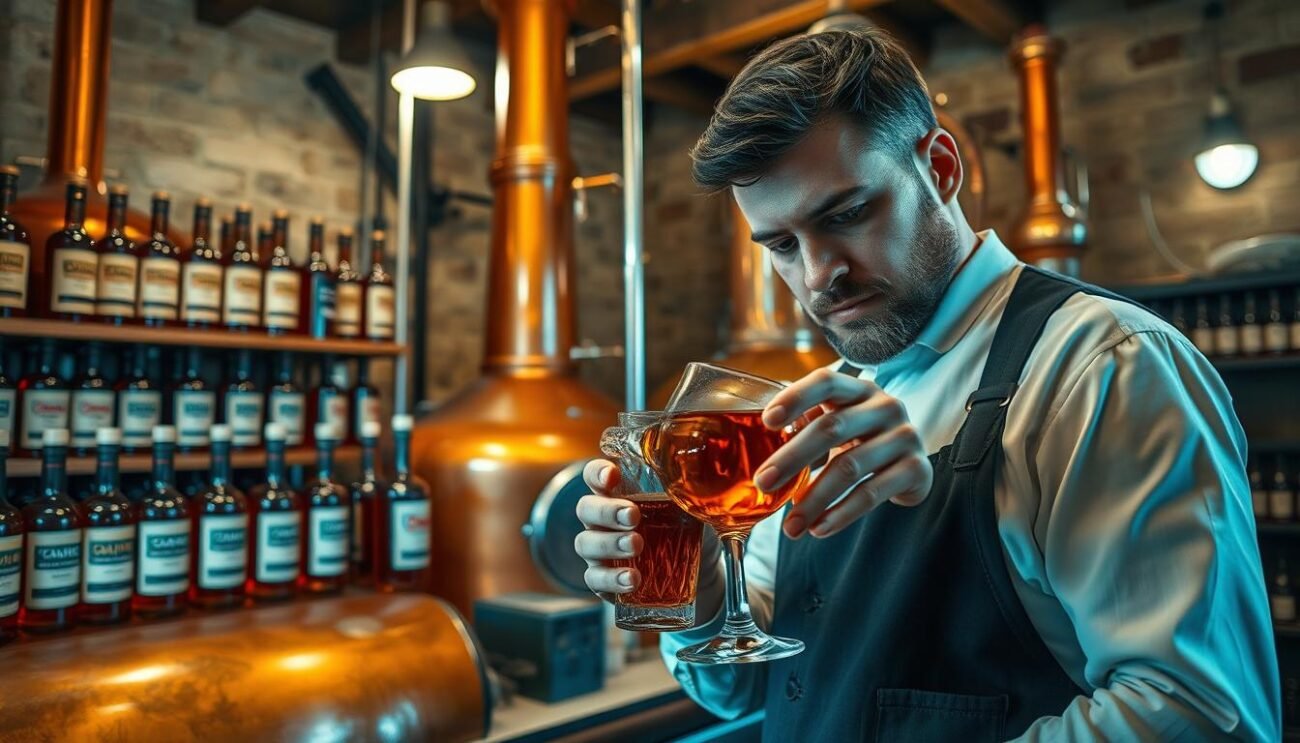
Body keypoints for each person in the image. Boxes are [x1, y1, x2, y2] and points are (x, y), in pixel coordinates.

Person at [574, 27, 1279, 741]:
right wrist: (696, 589)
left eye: (846, 215)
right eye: (782, 245)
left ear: (940, 168)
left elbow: (1195, 714)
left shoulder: (1102, 366)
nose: (819, 275)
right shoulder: (820, 404)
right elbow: (750, 684)